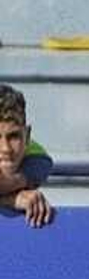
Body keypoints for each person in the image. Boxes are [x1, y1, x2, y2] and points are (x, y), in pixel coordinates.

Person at [0, 84, 55, 229]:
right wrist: (11, 200)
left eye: (14, 136)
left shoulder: (35, 156)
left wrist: (18, 180)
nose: (6, 149)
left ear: (28, 136)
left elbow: (43, 163)